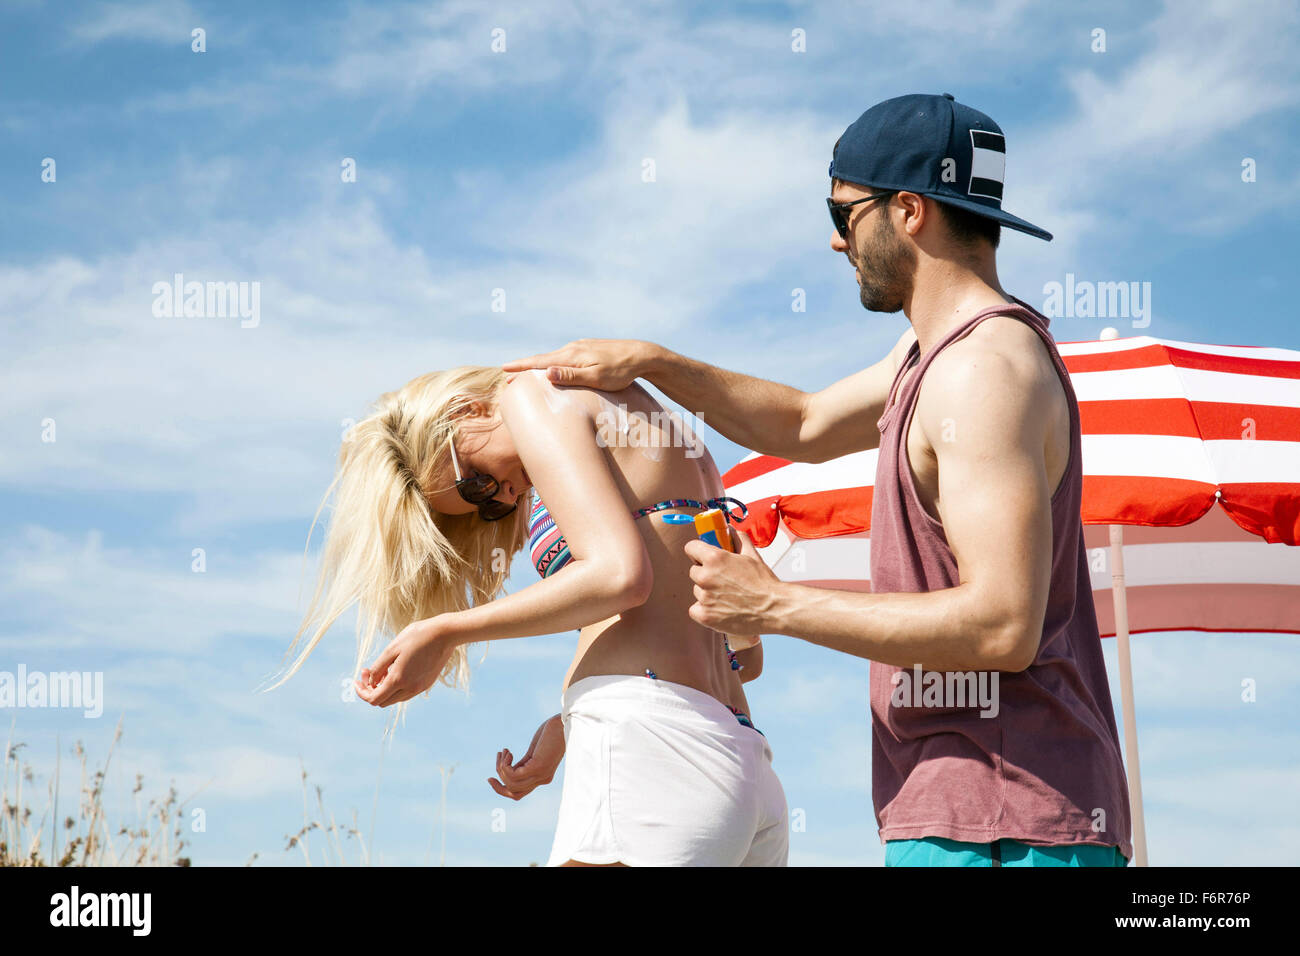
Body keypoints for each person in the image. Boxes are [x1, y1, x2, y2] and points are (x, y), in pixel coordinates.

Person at [504, 92, 1133, 867]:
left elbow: (1003, 626)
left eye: (843, 216)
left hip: (1008, 822)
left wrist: (775, 605)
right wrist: (656, 362)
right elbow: (801, 424)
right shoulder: (930, 357)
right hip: (965, 808)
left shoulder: (981, 372)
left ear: (908, 210)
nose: (837, 245)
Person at [274, 365, 787, 866]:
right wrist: (566, 726)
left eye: (476, 481)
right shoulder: (658, 432)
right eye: (486, 505)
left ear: (466, 411)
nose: (504, 495)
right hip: (739, 758)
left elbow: (620, 577)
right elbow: (743, 653)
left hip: (649, 744)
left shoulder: (529, 397)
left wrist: (444, 630)